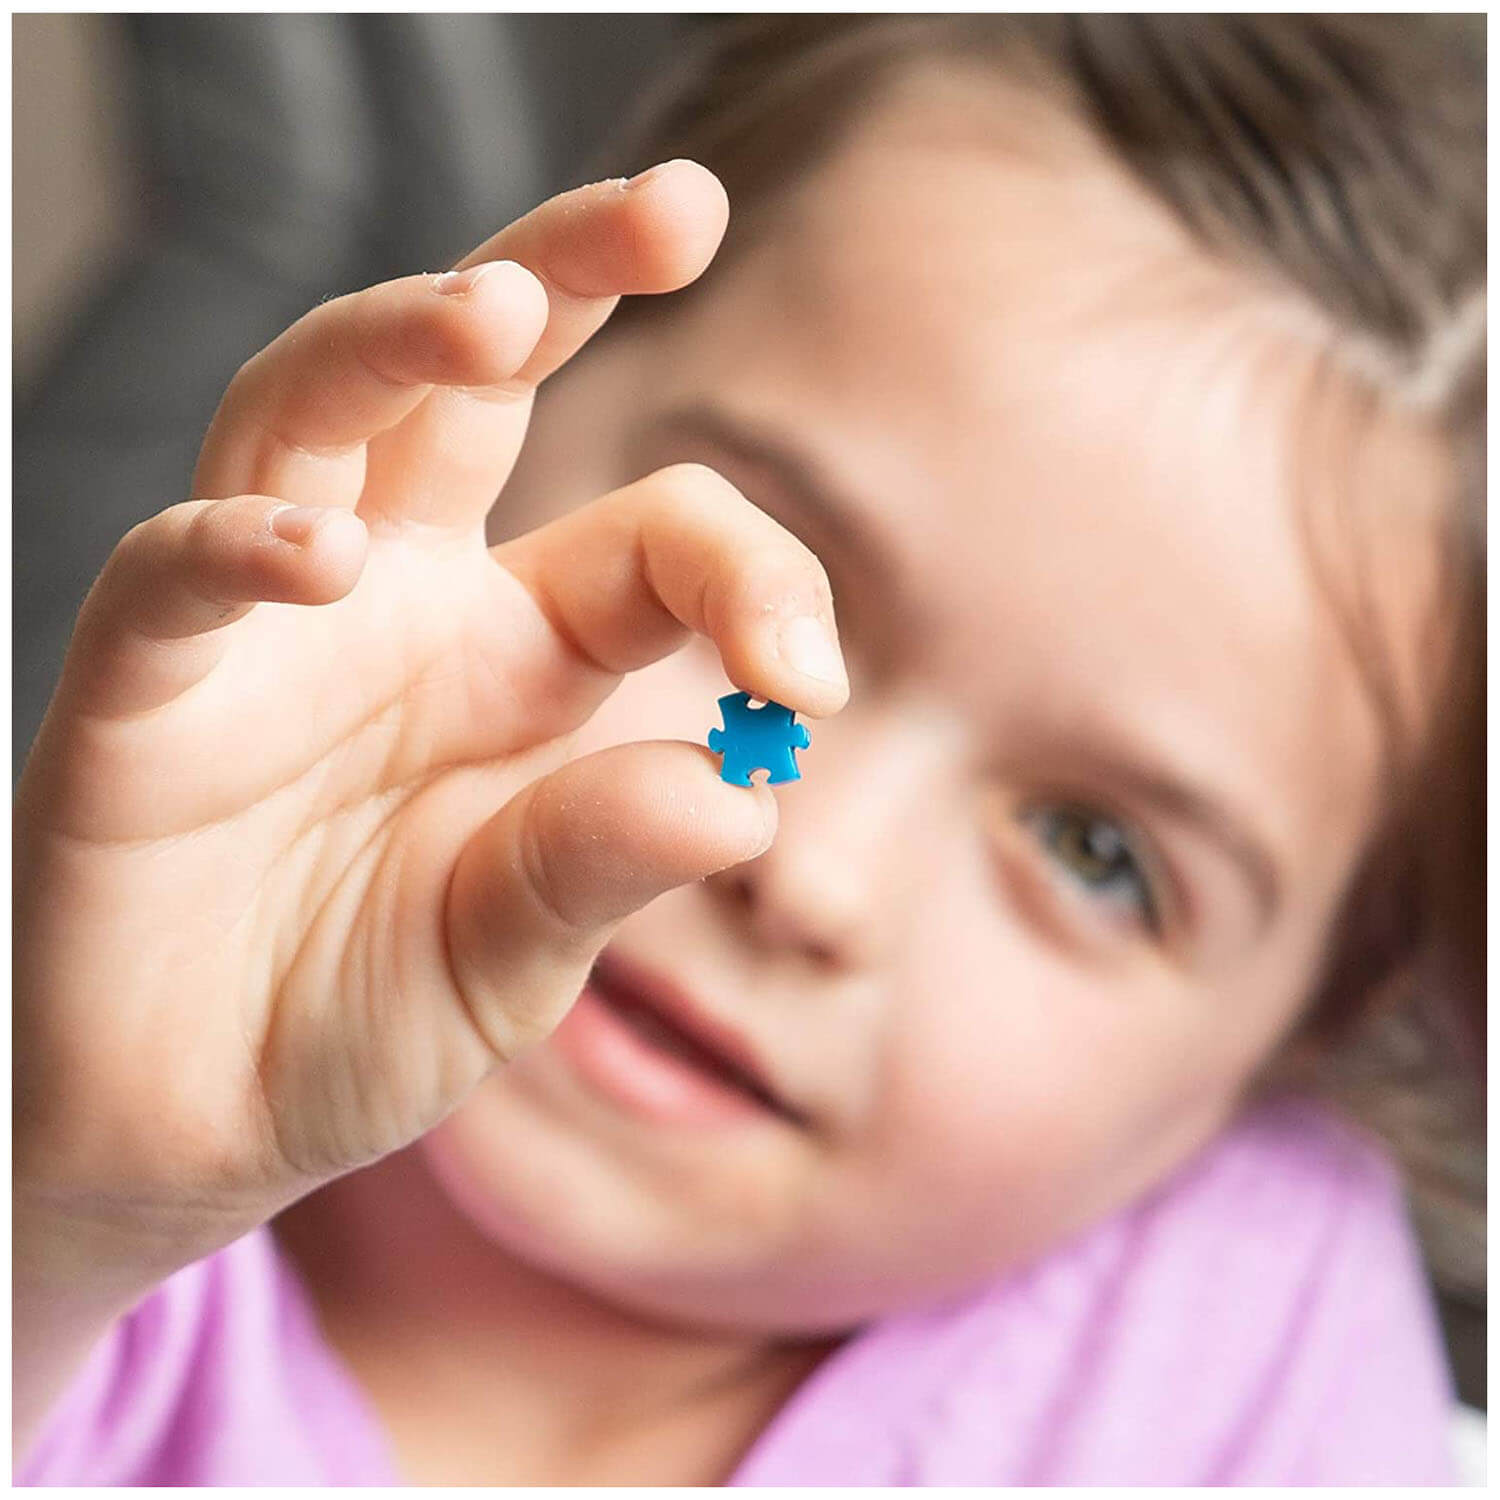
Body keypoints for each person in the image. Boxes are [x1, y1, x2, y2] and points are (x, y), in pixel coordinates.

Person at [14, 15, 1483, 1485]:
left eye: (1094, 854)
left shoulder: (1243, 1351)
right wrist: (65, 1211)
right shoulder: (63, 1056)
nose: (799, 863)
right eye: (756, 585)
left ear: (1305, 1028)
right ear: (502, 412)